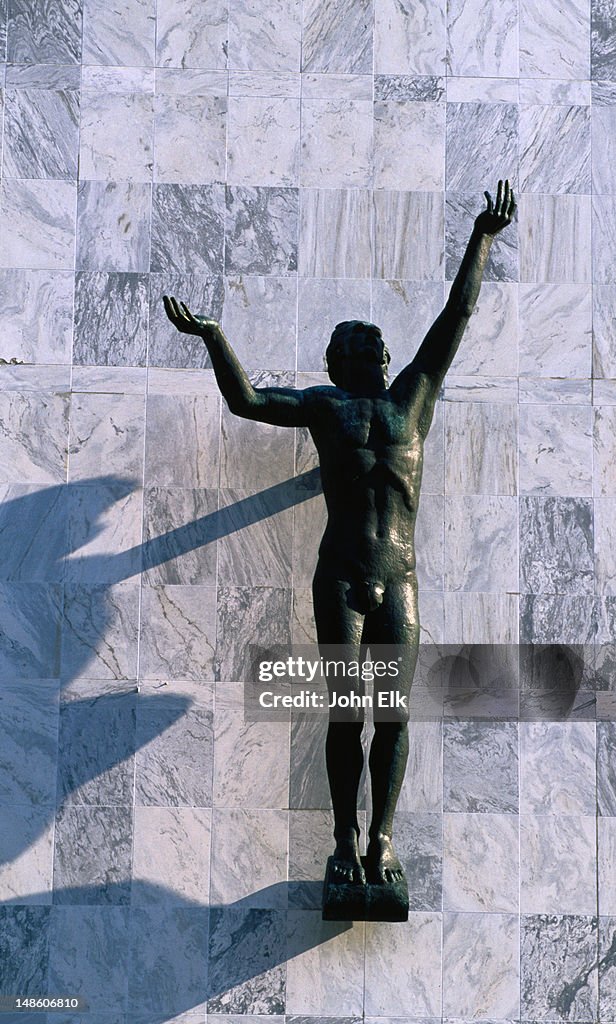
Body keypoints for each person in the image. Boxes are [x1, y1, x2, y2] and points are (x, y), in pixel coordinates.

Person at [164, 180, 516, 887]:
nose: (376, 349)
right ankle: (341, 839)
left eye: (378, 343)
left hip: (400, 577)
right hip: (345, 576)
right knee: (346, 708)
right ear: (339, 361)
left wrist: (480, 238)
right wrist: (214, 337)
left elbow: (459, 312)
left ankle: (381, 840)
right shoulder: (327, 410)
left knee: (393, 712)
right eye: (361, 344)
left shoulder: (414, 397)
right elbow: (249, 400)